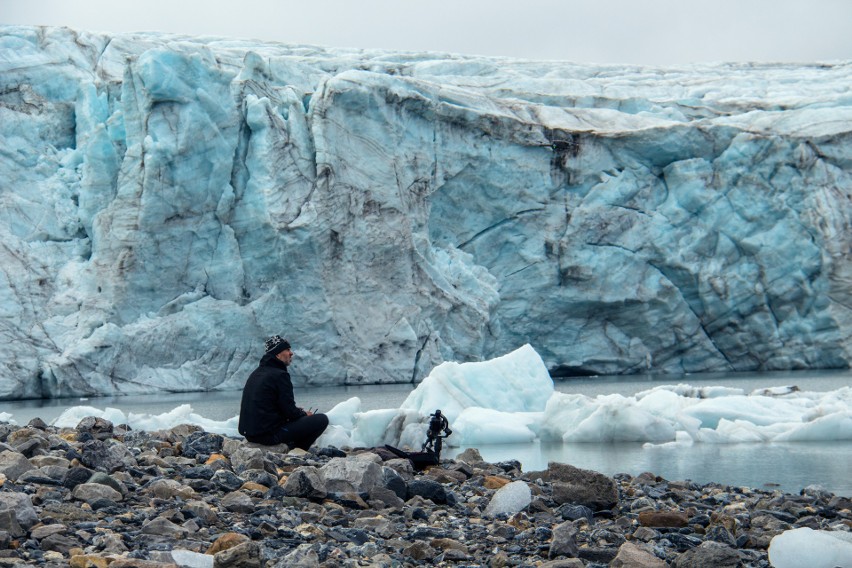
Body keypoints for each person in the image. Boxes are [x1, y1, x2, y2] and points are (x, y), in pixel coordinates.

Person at [238, 335, 329, 450]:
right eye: (287, 350)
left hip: (251, 435)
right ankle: (297, 450)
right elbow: (290, 412)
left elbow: (271, 407)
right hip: (268, 436)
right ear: (277, 354)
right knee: (321, 420)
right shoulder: (279, 375)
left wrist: (297, 412)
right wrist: (304, 414)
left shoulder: (257, 373)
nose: (291, 353)